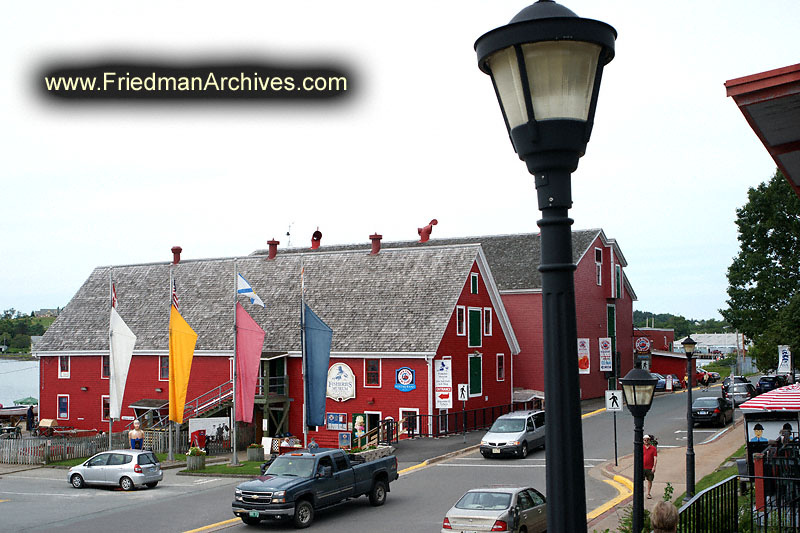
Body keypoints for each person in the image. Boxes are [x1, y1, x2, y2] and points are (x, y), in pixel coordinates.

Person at [643, 434, 658, 499]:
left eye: (647, 440)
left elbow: (655, 458)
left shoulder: (653, 448)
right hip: (642, 467)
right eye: (645, 440)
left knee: (650, 480)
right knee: (641, 480)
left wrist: (654, 467)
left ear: (649, 440)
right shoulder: (641, 448)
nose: (646, 441)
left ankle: (648, 493)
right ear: (643, 441)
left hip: (650, 468)